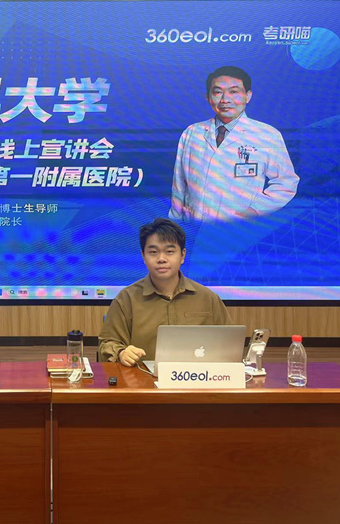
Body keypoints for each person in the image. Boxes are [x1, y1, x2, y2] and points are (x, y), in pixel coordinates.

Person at [168, 65, 299, 222]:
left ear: (248, 96)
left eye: (234, 92)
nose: (225, 100)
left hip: (238, 228)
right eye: (217, 92)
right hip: (194, 224)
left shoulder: (267, 135)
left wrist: (254, 211)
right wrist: (175, 222)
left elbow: (286, 183)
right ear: (208, 97)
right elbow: (179, 184)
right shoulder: (192, 132)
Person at [99, 218, 231, 365]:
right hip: (142, 378)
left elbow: (229, 343)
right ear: (143, 256)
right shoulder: (127, 299)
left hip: (197, 377)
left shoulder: (207, 298)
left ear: (182, 255)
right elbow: (107, 344)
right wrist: (121, 353)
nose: (161, 259)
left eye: (169, 251)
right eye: (153, 252)